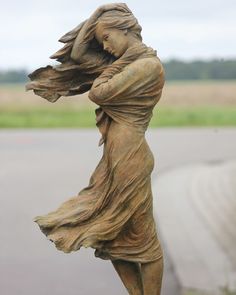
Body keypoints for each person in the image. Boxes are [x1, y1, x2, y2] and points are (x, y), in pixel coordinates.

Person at [27, 3, 165, 295]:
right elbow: (78, 55)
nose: (104, 45)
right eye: (101, 39)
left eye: (107, 37)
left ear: (126, 29)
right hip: (113, 160)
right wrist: (98, 14)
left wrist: (109, 67)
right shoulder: (124, 64)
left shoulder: (146, 66)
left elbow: (98, 92)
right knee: (112, 236)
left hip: (132, 160)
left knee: (144, 241)